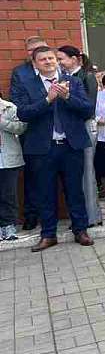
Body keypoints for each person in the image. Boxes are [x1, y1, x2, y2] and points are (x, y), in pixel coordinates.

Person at [11, 46, 95, 251]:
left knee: (75, 190)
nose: (48, 62)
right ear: (35, 64)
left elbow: (87, 110)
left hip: (70, 145)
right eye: (43, 59)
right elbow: (23, 113)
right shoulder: (26, 84)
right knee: (45, 193)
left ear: (56, 61)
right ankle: (48, 234)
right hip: (42, 148)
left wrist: (68, 97)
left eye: (51, 58)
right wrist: (48, 99)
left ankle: (80, 230)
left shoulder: (73, 81)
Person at [57, 45, 102, 228]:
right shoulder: (63, 78)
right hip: (71, 129)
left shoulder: (87, 76)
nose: (59, 62)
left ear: (74, 59)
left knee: (86, 172)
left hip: (85, 127)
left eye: (62, 59)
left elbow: (88, 108)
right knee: (76, 173)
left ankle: (91, 216)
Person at [9, 36, 48, 232]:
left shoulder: (55, 70)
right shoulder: (20, 73)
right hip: (32, 131)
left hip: (56, 132)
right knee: (32, 176)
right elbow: (17, 103)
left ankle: (54, 216)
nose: (35, 52)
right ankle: (31, 216)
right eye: (31, 50)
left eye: (39, 48)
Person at [0, 89, 27, 241]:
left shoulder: (9, 107)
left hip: (8, 158)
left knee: (8, 194)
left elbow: (22, 127)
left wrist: (2, 123)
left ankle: (9, 225)